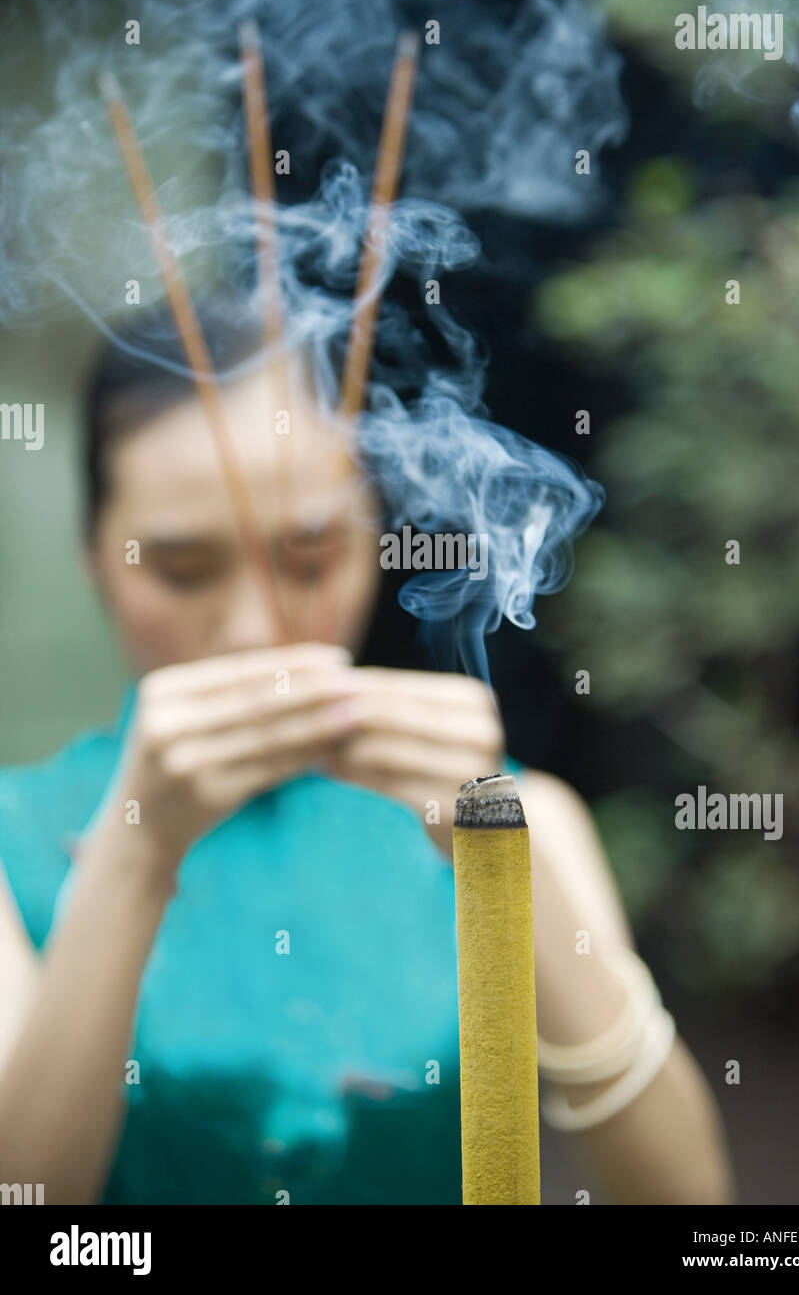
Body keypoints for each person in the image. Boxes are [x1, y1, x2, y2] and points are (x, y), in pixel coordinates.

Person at [0, 306, 734, 1205]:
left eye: (309, 556)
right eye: (184, 570)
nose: (254, 629)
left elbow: (695, 1215)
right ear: (93, 554)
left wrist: (501, 862)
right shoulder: (12, 841)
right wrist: (135, 853)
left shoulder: (520, 813)